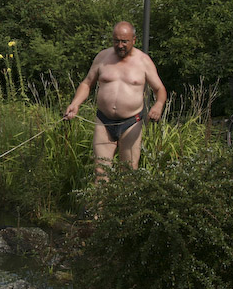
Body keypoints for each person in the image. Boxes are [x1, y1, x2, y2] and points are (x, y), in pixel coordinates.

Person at [64, 21, 167, 182]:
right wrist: (75, 103)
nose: (120, 45)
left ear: (134, 39)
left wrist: (158, 106)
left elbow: (160, 89)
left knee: (128, 173)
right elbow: (86, 83)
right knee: (100, 172)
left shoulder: (143, 61)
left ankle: (123, 207)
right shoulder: (103, 57)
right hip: (104, 121)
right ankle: (99, 207)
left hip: (131, 122)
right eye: (116, 41)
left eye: (124, 41)